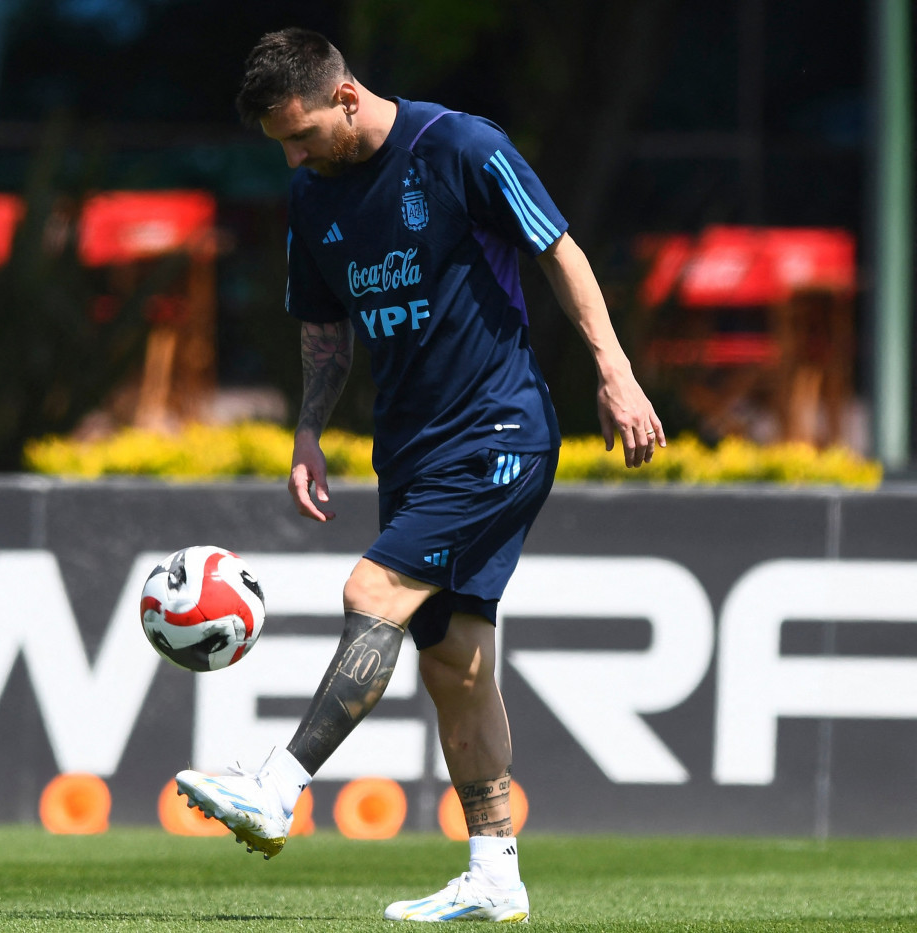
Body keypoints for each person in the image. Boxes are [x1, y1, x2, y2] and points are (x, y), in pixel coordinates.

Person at [176, 27, 665, 923]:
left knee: (373, 588)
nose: (292, 156)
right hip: (409, 448)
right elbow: (324, 326)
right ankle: (495, 873)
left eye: (301, 134)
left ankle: (279, 786)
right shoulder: (311, 195)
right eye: (280, 144)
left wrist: (614, 370)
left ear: (348, 98)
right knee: (457, 666)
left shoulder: (462, 148)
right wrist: (308, 431)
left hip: (499, 429)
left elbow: (560, 250)